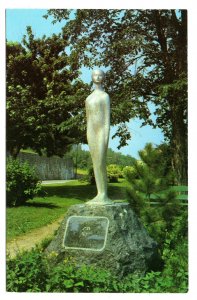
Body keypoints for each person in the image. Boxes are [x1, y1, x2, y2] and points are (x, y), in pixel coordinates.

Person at [85, 69, 113, 205]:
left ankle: (104, 194)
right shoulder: (88, 98)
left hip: (102, 131)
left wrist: (106, 135)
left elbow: (107, 119)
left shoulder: (105, 96)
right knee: (95, 162)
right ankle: (99, 193)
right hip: (91, 131)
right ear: (91, 77)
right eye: (95, 75)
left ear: (103, 77)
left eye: (100, 74)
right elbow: (88, 118)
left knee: (101, 161)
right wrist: (87, 133)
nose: (97, 77)